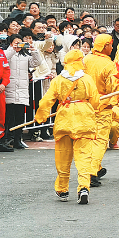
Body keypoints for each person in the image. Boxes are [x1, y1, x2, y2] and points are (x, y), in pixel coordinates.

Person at [34, 49, 100, 204]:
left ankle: (62, 188)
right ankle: (84, 187)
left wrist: (41, 116)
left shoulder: (58, 80)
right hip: (84, 120)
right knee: (84, 156)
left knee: (63, 156)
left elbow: (46, 101)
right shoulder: (87, 79)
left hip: (64, 119)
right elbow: (96, 101)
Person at [82, 34, 117, 187]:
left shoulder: (85, 60)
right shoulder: (109, 65)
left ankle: (96, 167)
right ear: (105, 46)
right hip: (102, 107)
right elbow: (113, 89)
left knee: (88, 140)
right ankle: (91, 172)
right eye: (110, 45)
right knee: (100, 140)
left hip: (84, 105)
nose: (112, 47)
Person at [4, 34, 43, 148]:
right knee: (9, 116)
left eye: (20, 42)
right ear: (10, 43)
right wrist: (13, 49)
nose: (19, 44)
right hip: (9, 88)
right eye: (16, 42)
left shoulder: (25, 55)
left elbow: (36, 63)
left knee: (20, 117)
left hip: (22, 89)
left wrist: (34, 50)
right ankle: (7, 139)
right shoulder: (7, 53)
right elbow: (5, 57)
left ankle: (17, 139)